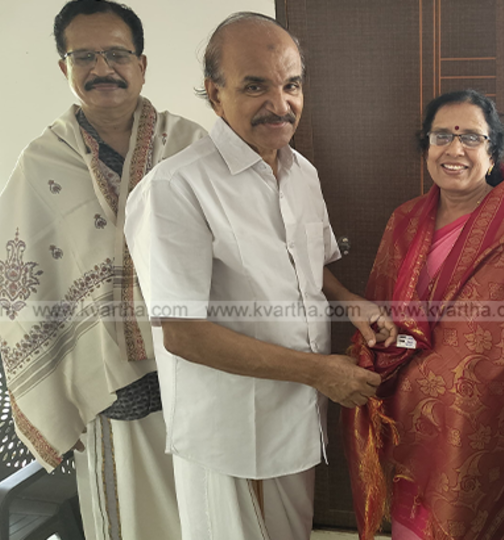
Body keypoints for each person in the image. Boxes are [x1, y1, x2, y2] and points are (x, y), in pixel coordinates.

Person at [123, 12, 394, 540]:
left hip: (296, 417)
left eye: (291, 85)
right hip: (230, 434)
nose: (280, 103)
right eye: (255, 86)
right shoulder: (176, 189)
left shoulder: (301, 172)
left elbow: (307, 265)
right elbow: (183, 332)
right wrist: (320, 371)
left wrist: (349, 302)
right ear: (214, 92)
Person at [343, 89, 504, 540]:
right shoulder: (404, 222)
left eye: (472, 138)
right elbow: (381, 312)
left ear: (492, 149)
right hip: (417, 431)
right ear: (426, 146)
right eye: (442, 135)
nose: (454, 149)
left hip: (495, 427)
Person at [0, 1, 205, 539]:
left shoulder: (190, 146)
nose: (101, 68)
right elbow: (19, 281)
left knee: (208, 512)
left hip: (198, 370)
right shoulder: (40, 164)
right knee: (132, 519)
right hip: (106, 386)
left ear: (142, 63)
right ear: (64, 68)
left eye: (116, 53)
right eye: (83, 55)